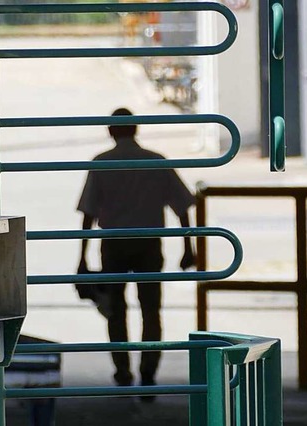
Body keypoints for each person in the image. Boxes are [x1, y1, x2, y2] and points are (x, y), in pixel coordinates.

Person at [77, 107, 195, 397]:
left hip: (113, 244)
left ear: (110, 131)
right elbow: (182, 207)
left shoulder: (101, 163)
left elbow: (88, 214)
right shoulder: (155, 161)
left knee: (115, 311)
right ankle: (148, 374)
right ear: (136, 129)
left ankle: (122, 372)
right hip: (149, 244)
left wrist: (82, 256)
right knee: (151, 310)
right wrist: (188, 247)